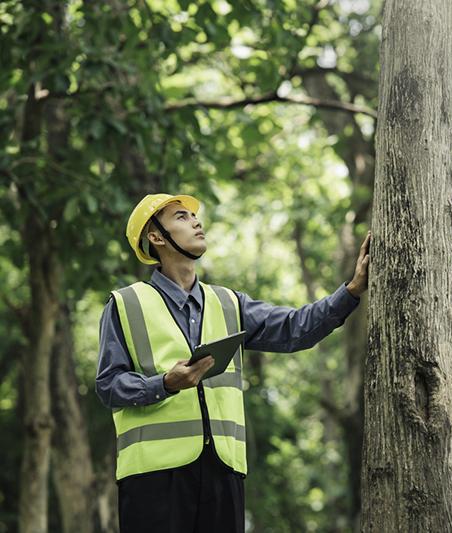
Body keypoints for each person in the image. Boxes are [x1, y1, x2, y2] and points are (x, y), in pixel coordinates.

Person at [95, 193, 371, 533]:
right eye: (181, 217)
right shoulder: (125, 304)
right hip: (153, 480)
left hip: (222, 474)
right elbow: (108, 385)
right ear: (156, 237)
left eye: (194, 216)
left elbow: (295, 329)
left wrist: (353, 290)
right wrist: (164, 384)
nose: (196, 221)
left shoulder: (228, 303)